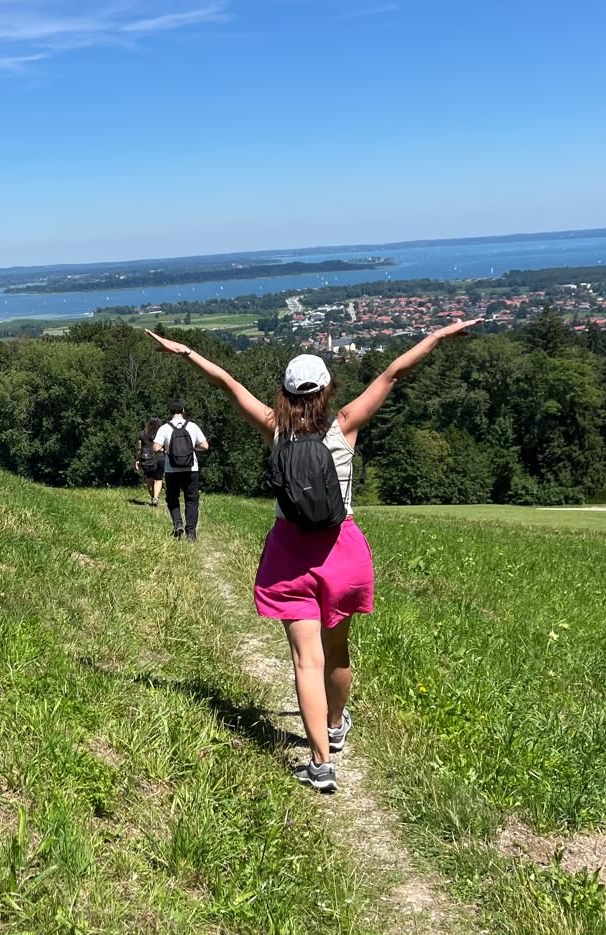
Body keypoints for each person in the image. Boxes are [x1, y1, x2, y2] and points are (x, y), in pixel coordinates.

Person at [146, 322, 480, 792]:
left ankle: (321, 763)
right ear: (326, 390)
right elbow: (393, 373)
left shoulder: (274, 429)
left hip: (291, 555)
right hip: (342, 554)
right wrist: (439, 338)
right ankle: (337, 724)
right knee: (336, 652)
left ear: (283, 392)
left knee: (306, 661)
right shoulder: (346, 425)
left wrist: (184, 351)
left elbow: (226, 382)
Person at [152, 399, 209, 541]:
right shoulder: (193, 426)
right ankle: (191, 533)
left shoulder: (165, 428)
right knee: (191, 500)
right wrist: (192, 449)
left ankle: (178, 523)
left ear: (170, 412)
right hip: (191, 468)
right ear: (183, 411)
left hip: (172, 469)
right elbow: (205, 446)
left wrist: (167, 450)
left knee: (172, 498)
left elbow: (155, 448)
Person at [134, 416, 165, 507]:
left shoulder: (142, 434)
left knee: (149, 479)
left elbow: (139, 449)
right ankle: (155, 498)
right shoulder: (161, 433)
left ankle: (152, 497)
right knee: (158, 479)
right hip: (159, 457)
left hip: (147, 458)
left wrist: (137, 460)